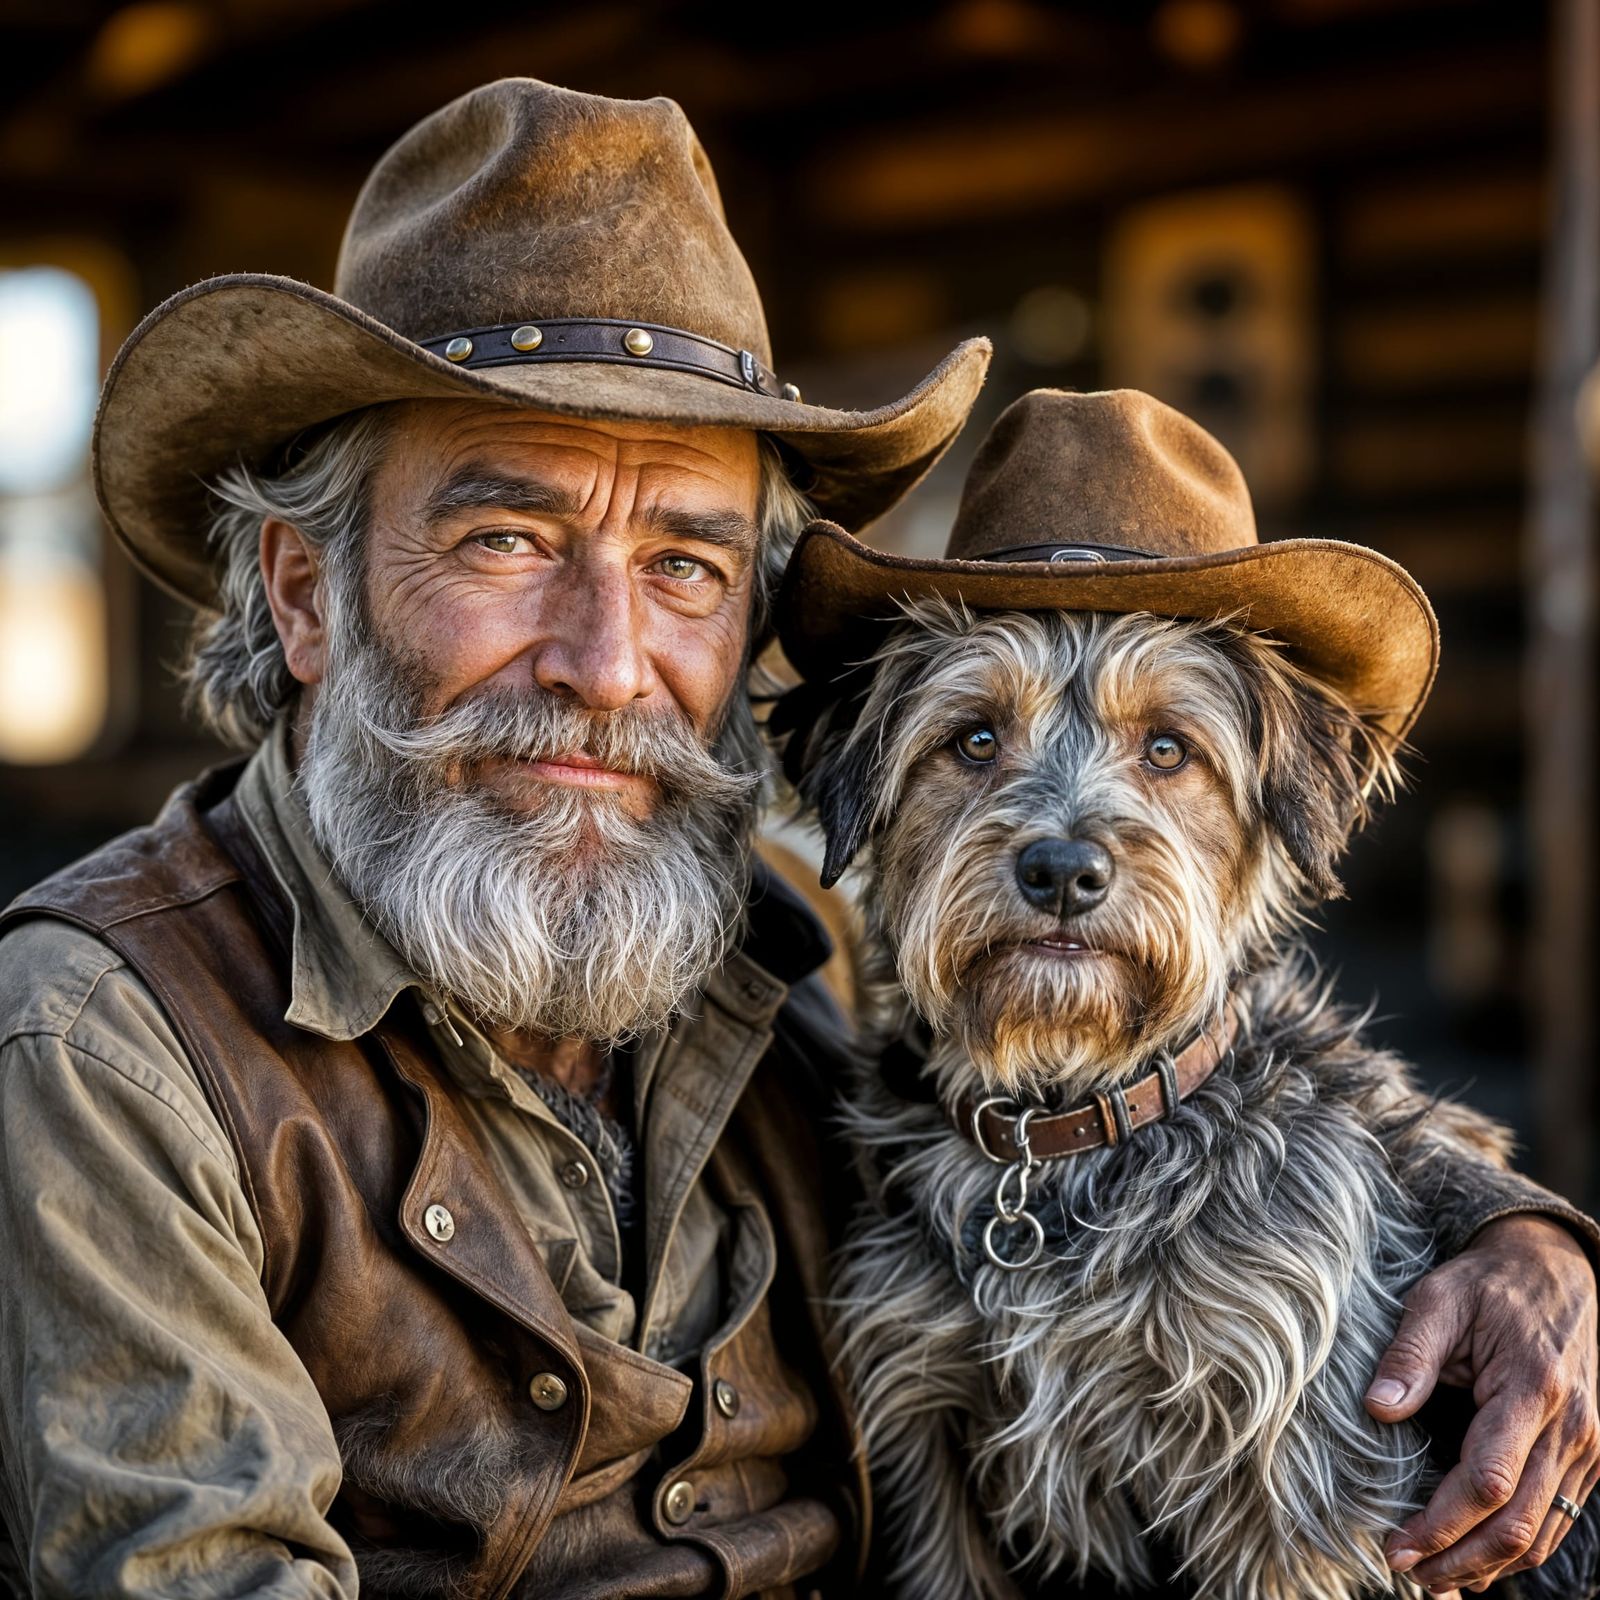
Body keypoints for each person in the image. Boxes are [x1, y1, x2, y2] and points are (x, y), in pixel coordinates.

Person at [0, 78, 1591, 1600]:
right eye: (507, 538)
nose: (607, 661)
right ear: (302, 594)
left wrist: (1525, 1245)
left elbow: (1275, 1106)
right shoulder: (104, 1054)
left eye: (686, 564)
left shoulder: (772, 945)